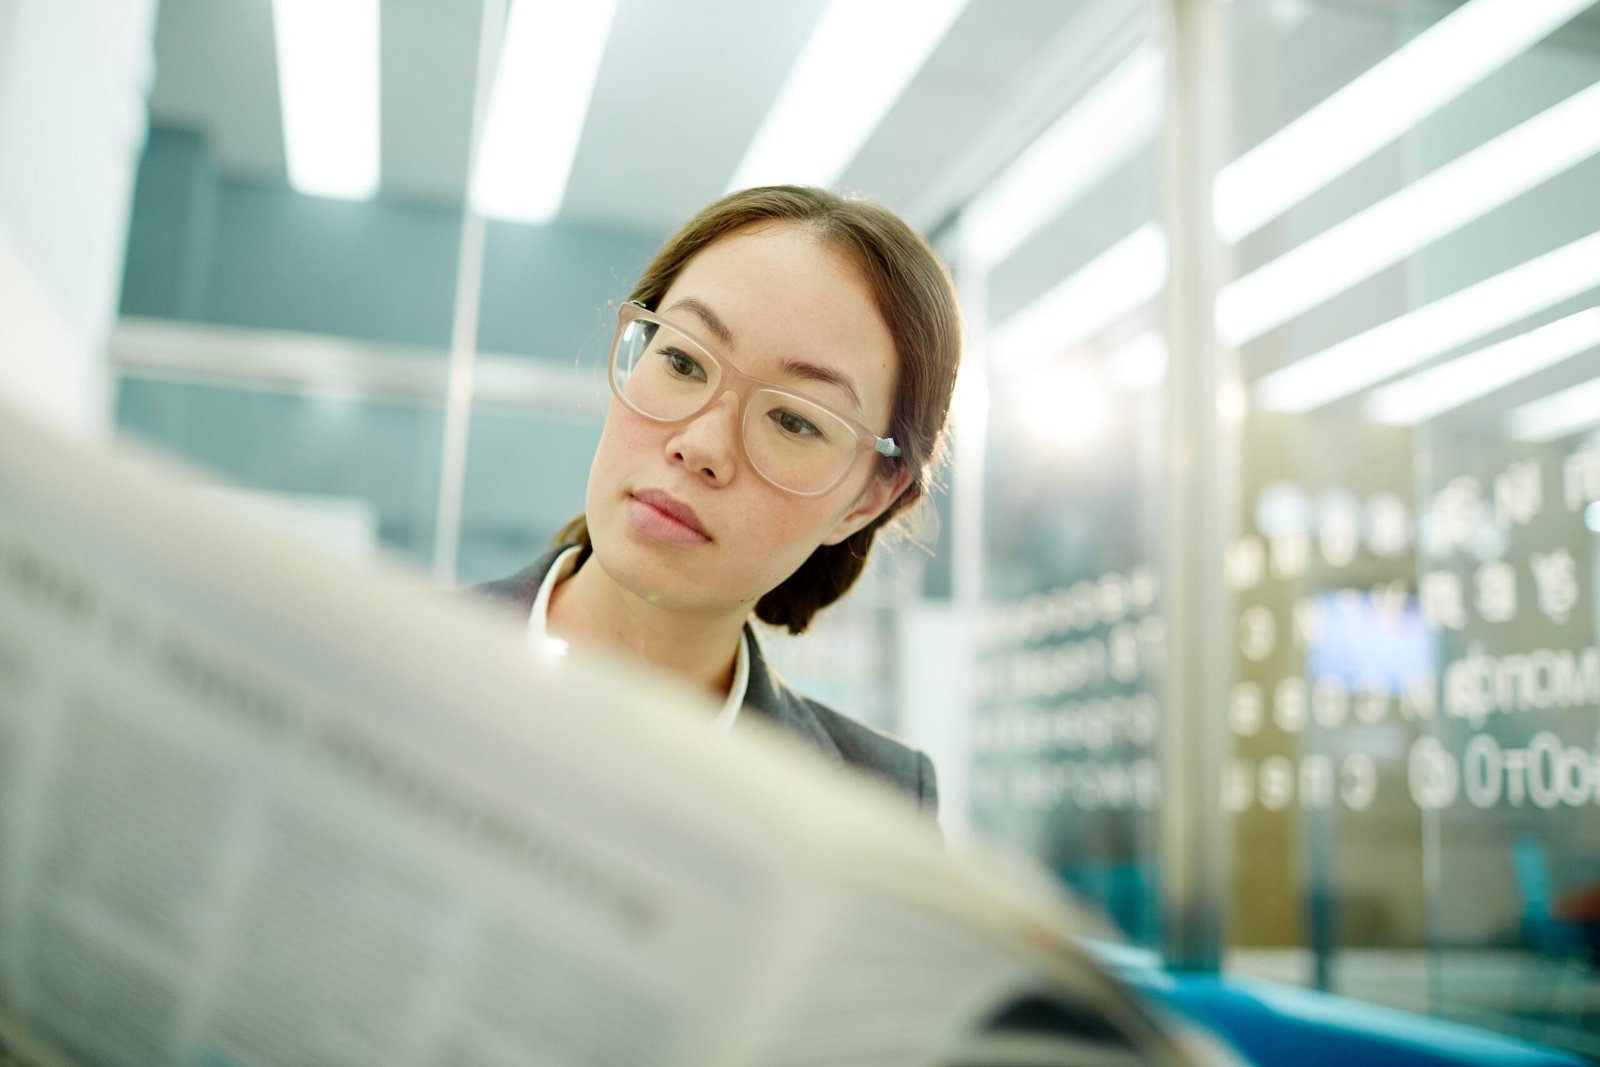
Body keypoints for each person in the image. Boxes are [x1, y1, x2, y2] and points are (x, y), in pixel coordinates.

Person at [476, 185, 961, 815]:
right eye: (680, 360)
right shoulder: (371, 657)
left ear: (866, 502)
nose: (700, 444)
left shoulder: (878, 806)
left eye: (794, 420)